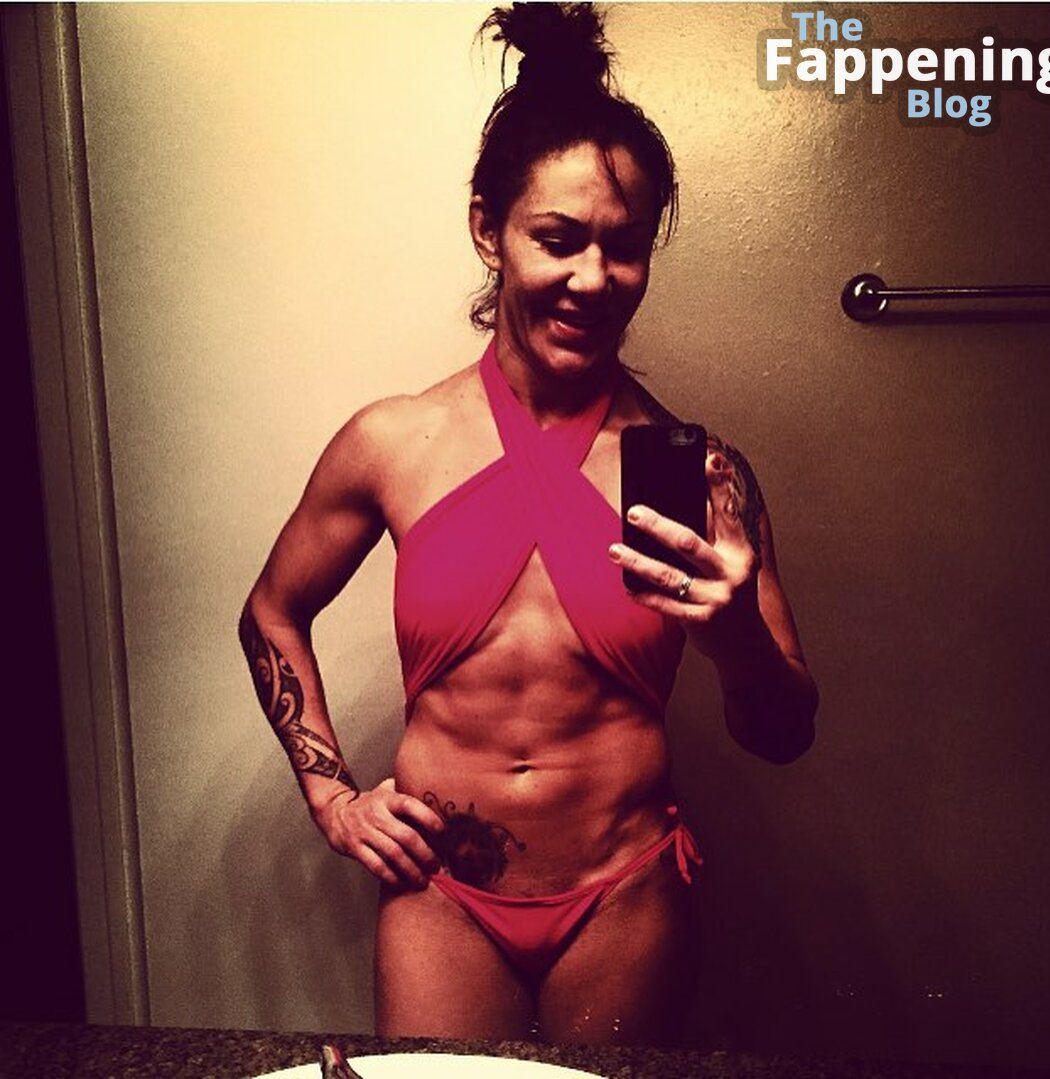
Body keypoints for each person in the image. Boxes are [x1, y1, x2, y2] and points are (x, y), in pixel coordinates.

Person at [240, 2, 817, 1047]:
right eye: (558, 239)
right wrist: (334, 799)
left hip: (624, 894)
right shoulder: (392, 442)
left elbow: (784, 734)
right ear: (488, 229)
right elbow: (271, 612)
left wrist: (735, 638)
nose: (593, 280)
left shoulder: (703, 474)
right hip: (443, 895)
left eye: (624, 248)